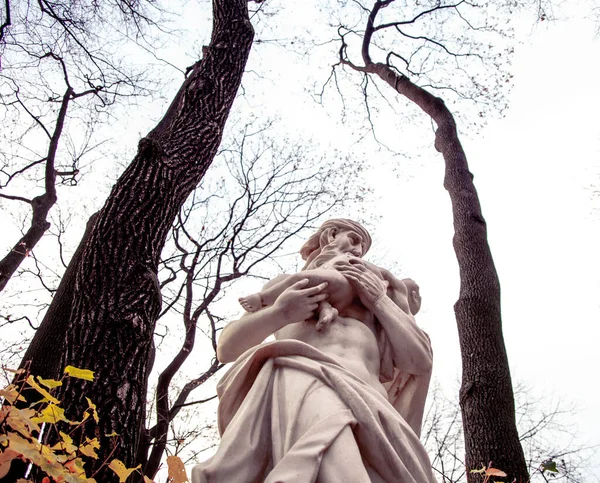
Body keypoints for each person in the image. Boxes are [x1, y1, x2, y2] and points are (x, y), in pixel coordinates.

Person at [192, 219, 435, 483]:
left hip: (374, 408)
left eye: (363, 248)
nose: (358, 251)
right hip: (304, 381)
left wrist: (378, 301)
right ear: (330, 235)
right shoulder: (287, 286)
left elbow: (420, 361)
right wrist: (280, 312)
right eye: (354, 240)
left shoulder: (378, 294)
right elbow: (227, 349)